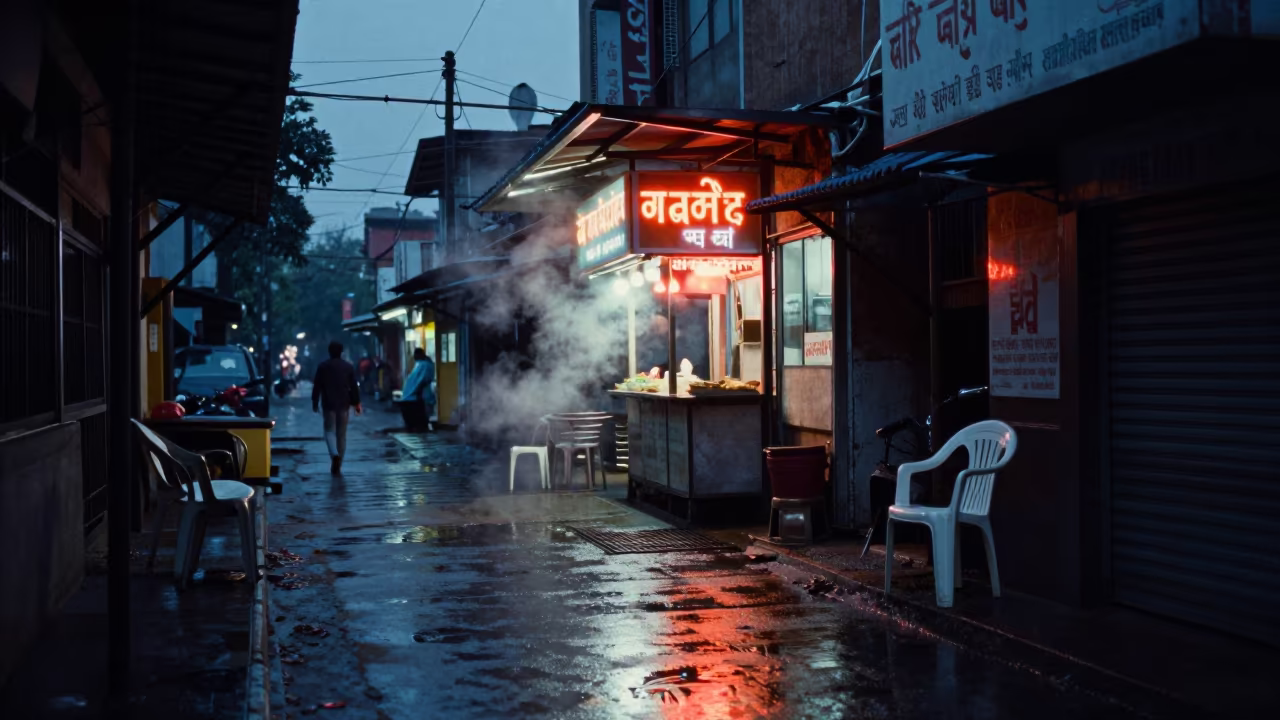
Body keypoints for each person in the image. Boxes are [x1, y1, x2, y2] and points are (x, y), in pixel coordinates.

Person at [312, 341, 362, 474]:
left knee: (329, 431)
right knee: (341, 435)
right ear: (341, 352)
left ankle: (334, 455)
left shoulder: (323, 367)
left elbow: (317, 386)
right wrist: (357, 403)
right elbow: (354, 387)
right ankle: (339, 464)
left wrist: (315, 402)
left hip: (328, 404)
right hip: (344, 404)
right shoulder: (348, 367)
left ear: (329, 352)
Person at [401, 347, 436, 432]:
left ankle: (424, 427)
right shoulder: (422, 364)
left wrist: (415, 390)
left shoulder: (424, 365)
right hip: (417, 395)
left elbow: (421, 380)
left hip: (420, 395)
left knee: (424, 414)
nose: (414, 357)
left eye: (416, 355)